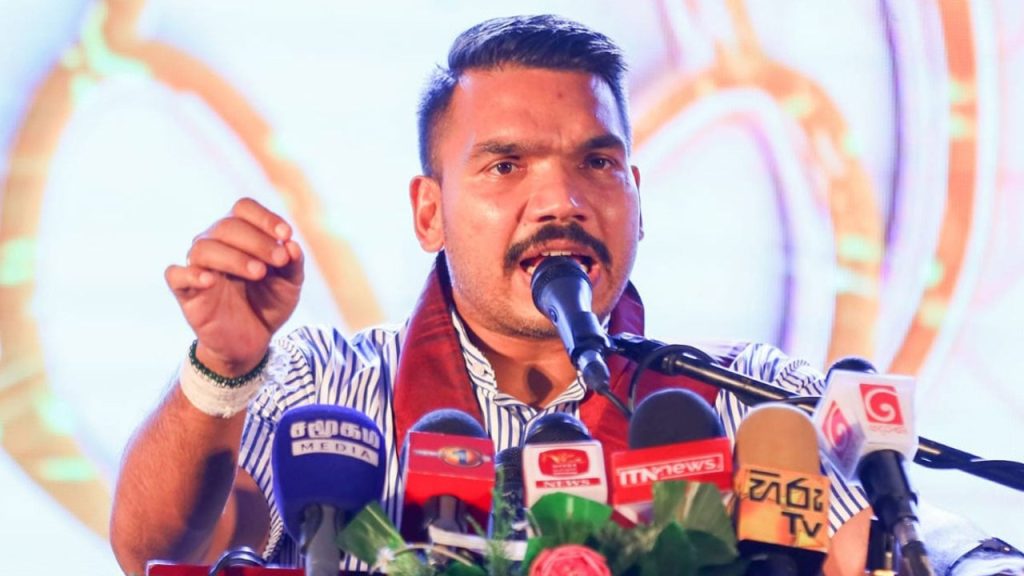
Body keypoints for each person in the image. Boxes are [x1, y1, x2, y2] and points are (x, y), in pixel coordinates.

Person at [110, 14, 877, 575]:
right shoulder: (323, 386)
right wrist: (221, 369)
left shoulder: (749, 403)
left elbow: (892, 555)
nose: (562, 202)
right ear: (429, 212)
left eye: (597, 164)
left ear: (637, 198)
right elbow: (157, 552)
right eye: (506, 166)